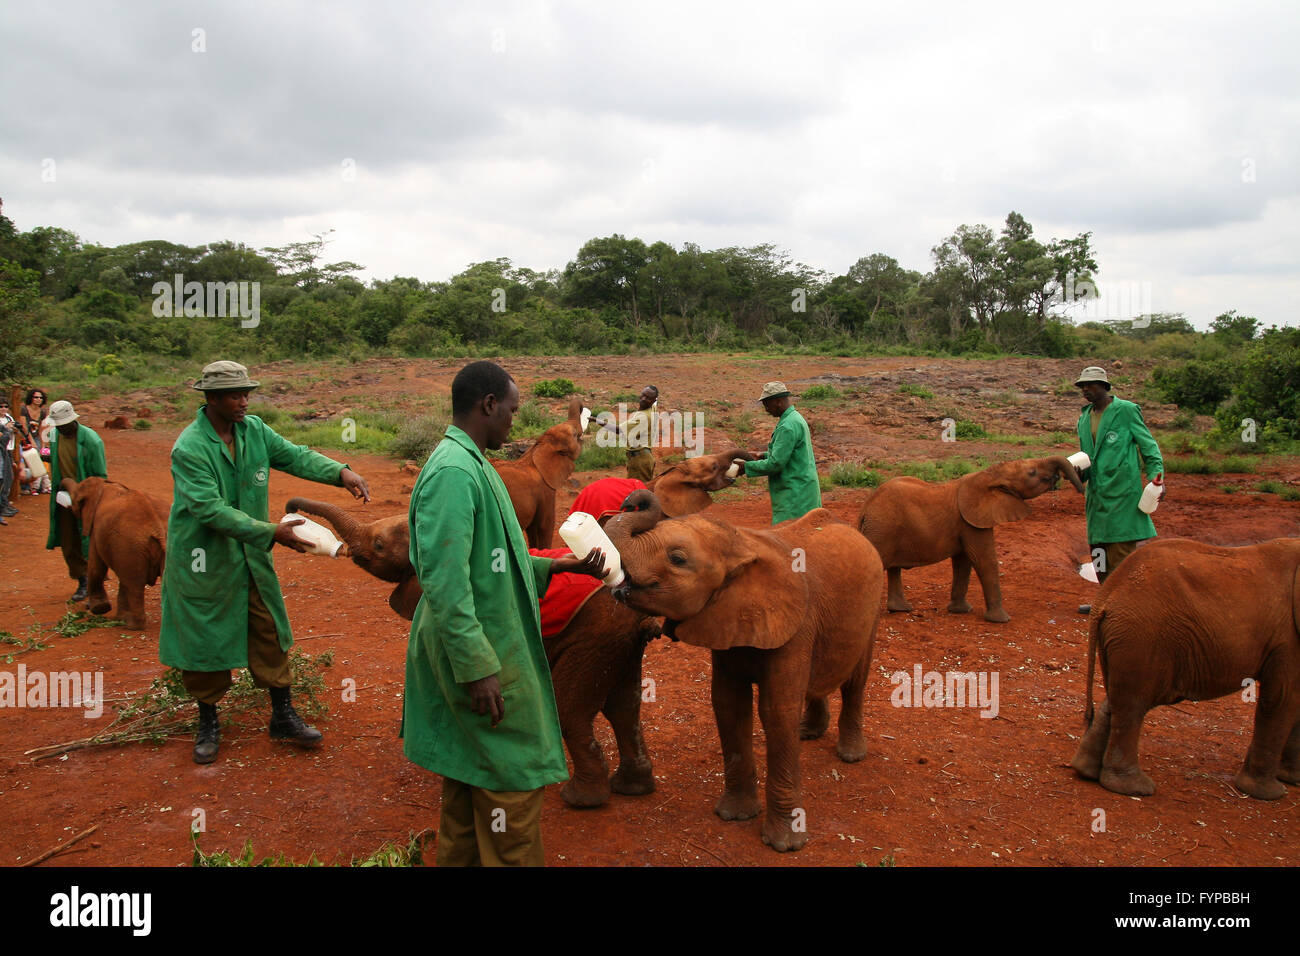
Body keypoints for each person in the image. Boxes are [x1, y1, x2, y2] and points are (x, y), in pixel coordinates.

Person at [403, 360, 606, 867]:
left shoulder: (474, 463)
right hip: (482, 658)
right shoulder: (454, 473)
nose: (515, 422)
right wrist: (477, 667)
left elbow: (493, 564)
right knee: (510, 792)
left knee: (468, 793)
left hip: (487, 647)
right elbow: (447, 584)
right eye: (512, 411)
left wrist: (559, 566)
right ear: (488, 404)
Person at [158, 361, 371, 764]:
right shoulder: (190, 448)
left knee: (269, 629)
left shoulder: (254, 430)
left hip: (250, 555)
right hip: (206, 560)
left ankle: (282, 715)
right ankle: (208, 720)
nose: (244, 401)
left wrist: (340, 472)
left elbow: (294, 456)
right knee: (204, 640)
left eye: (247, 393)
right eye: (235, 395)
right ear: (212, 398)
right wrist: (272, 533)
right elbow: (209, 510)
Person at [1074, 365, 1165, 614]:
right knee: (1099, 549)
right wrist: (1077, 473)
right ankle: (1105, 599)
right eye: (1082, 385)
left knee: (1121, 551)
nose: (1085, 389)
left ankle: (1126, 604)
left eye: (1090, 384)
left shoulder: (1125, 411)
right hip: (1097, 494)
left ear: (1104, 386)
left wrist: (1157, 478)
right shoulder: (1084, 417)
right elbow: (1087, 456)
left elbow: (1149, 448)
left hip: (1123, 492)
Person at [732, 381, 821, 524]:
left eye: (767, 404)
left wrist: (745, 467)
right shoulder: (795, 418)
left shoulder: (787, 426)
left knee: (789, 537)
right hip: (802, 487)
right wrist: (762, 455)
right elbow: (788, 454)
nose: (766, 409)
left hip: (795, 492)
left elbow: (776, 464)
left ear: (778, 401)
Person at [45, 401, 107, 601]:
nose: (62, 428)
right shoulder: (55, 437)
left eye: (64, 424)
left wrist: (86, 496)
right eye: (58, 425)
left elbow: (100, 475)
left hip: (87, 499)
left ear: (73, 420)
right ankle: (82, 581)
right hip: (63, 498)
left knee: (89, 540)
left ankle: (95, 583)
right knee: (68, 540)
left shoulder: (91, 440)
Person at [19, 388, 51, 493]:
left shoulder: (42, 412)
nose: (38, 399)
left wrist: (43, 444)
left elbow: (42, 428)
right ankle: (26, 487)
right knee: (27, 461)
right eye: (36, 397)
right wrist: (31, 441)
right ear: (31, 398)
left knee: (38, 459)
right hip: (23, 437)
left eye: (40, 397)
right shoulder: (24, 409)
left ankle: (39, 486)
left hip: (36, 436)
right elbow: (24, 427)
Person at [0, 400, 17, 523]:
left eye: (6, 406)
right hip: (2, 450)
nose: (3, 408)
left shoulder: (9, 418)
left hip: (8, 450)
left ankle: (4, 504)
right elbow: (3, 438)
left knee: (8, 478)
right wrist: (7, 430)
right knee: (2, 479)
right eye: (1, 407)